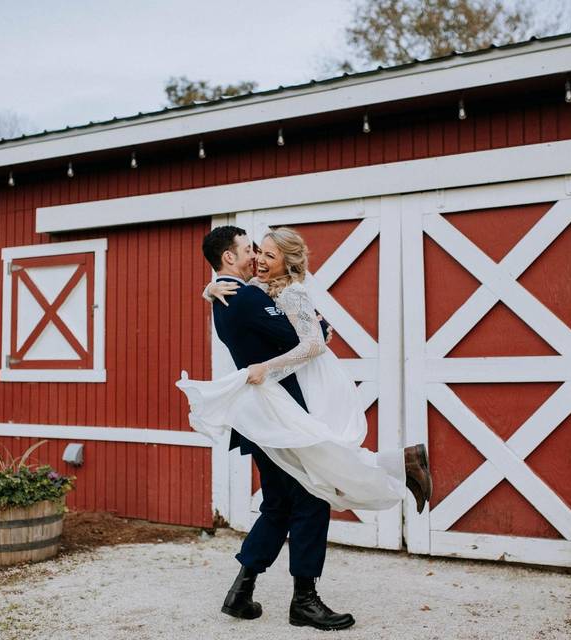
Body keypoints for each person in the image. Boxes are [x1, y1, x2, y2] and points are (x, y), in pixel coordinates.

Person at [176, 226, 432, 631]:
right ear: (228, 258)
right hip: (277, 413)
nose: (256, 256)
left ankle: (241, 593)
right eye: (249, 250)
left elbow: (303, 328)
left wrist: (211, 288)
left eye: (261, 251)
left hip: (263, 414)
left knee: (280, 503)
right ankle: (305, 602)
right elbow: (311, 335)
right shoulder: (240, 297)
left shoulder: (231, 294)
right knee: (313, 494)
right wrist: (319, 326)